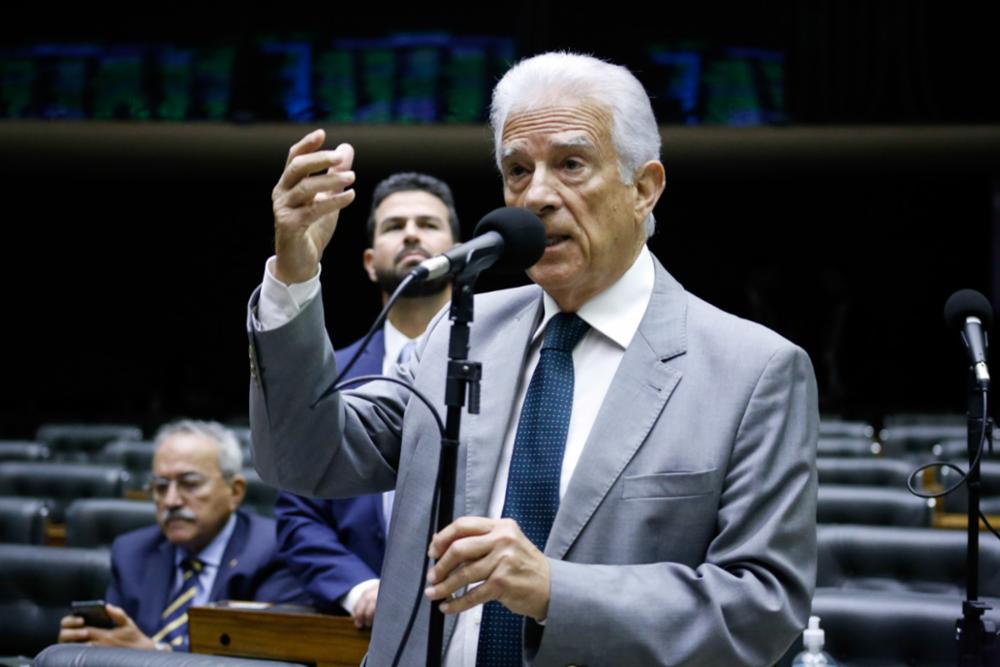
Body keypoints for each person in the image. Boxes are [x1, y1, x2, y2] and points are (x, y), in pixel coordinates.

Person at [248, 52, 818, 666]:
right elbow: (305, 456)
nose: (538, 194)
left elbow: (762, 608)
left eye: (571, 164)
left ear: (644, 188)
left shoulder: (754, 370)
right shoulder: (457, 331)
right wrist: (295, 275)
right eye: (518, 170)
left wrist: (555, 590)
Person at [273, 172, 460, 629]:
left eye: (427, 224)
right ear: (370, 262)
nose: (412, 233)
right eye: (394, 226)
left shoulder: (507, 367)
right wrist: (359, 589)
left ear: (460, 256)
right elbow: (298, 516)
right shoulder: (328, 373)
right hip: (352, 631)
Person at [58, 420, 307, 652]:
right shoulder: (131, 552)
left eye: (190, 483)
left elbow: (264, 658)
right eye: (160, 486)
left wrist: (154, 656)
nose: (171, 501)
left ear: (235, 491)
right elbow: (114, 641)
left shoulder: (275, 550)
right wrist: (85, 644)